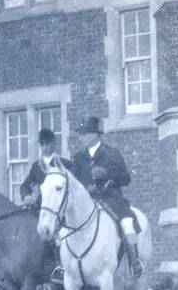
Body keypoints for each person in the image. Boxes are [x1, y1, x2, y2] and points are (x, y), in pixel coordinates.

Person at [71, 116, 144, 277]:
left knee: (126, 223)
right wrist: (85, 190)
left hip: (112, 199)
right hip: (87, 202)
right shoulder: (78, 157)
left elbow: (126, 178)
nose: (80, 137)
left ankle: (134, 261)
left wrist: (107, 175)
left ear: (95, 134)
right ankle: (66, 266)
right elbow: (75, 183)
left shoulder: (112, 153)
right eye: (80, 134)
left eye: (84, 134)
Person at [19, 128, 71, 206]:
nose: (44, 148)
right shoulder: (36, 166)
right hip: (39, 210)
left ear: (54, 143)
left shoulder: (65, 164)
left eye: (47, 144)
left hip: (58, 210)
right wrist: (26, 196)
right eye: (42, 145)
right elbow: (24, 186)